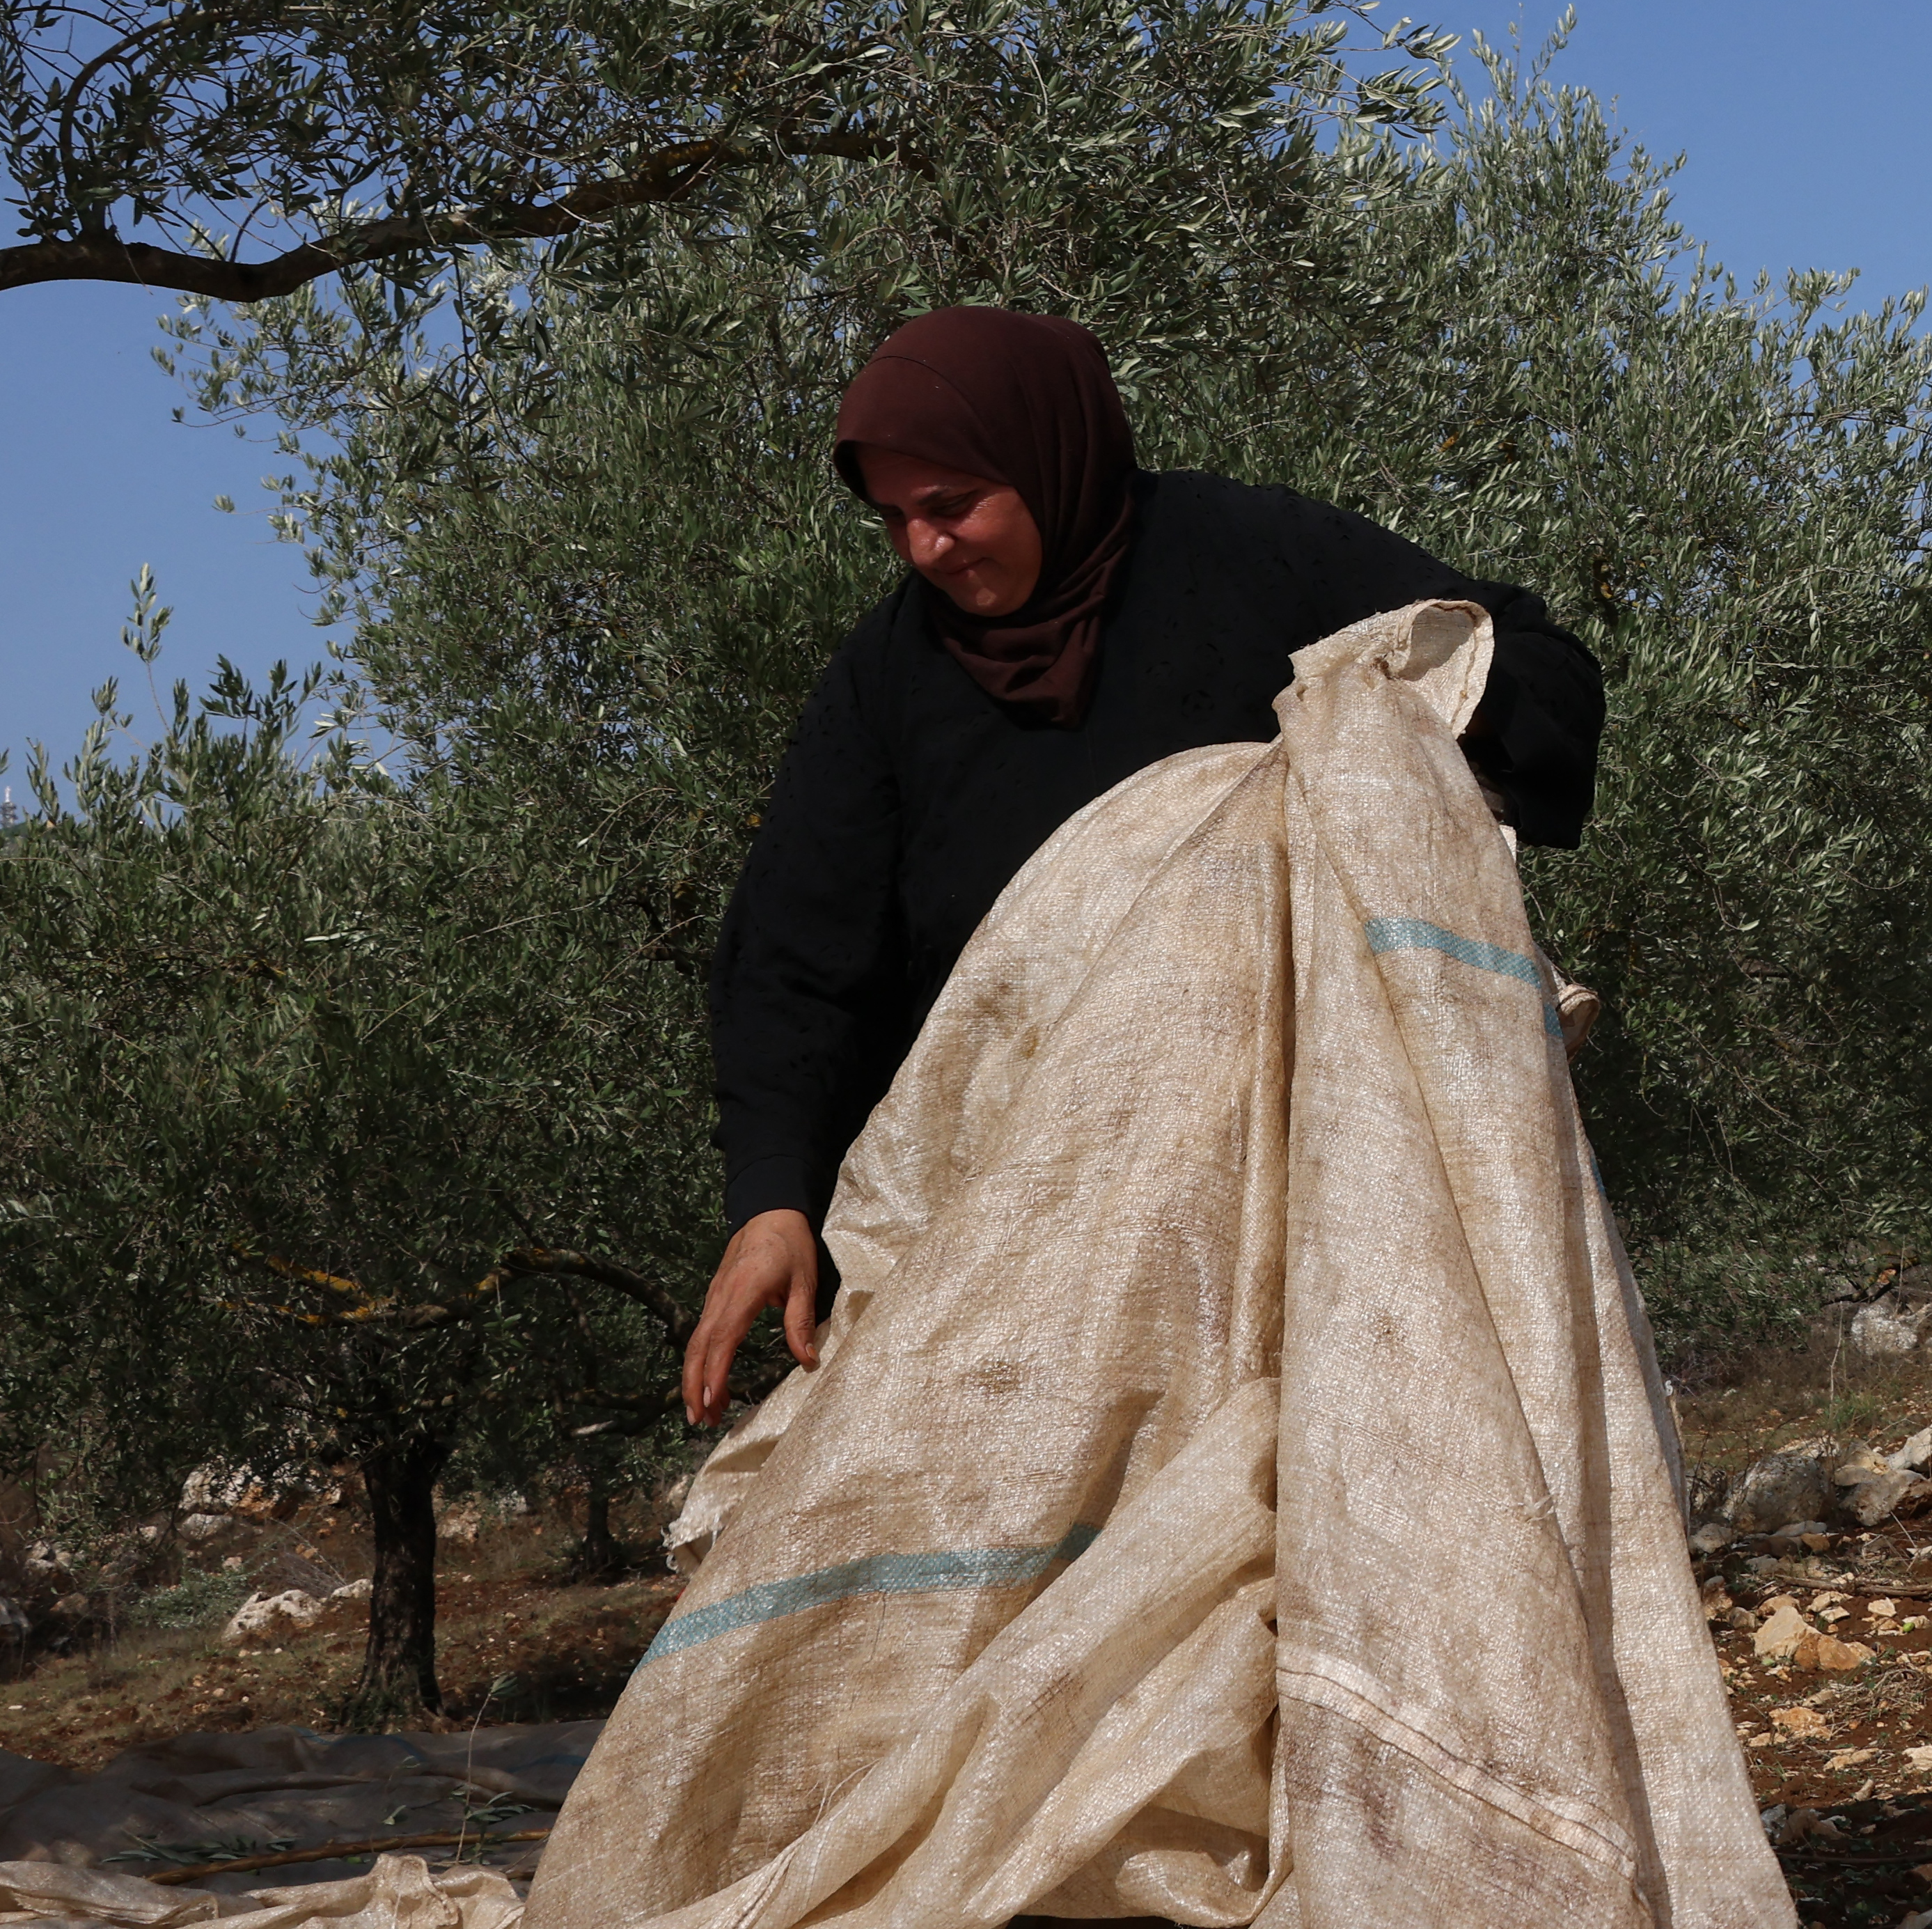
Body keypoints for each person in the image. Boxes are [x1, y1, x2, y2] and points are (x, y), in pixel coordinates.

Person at [677, 306, 1604, 1422]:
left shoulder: (1254, 555)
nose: (927, 548)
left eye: (952, 505)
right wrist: (773, 1199)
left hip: (1308, 1174)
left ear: (1047, 459)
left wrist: (1401, 720)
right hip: (1031, 1207)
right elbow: (794, 958)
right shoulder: (886, 682)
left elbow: (1537, 670)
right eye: (895, 521)